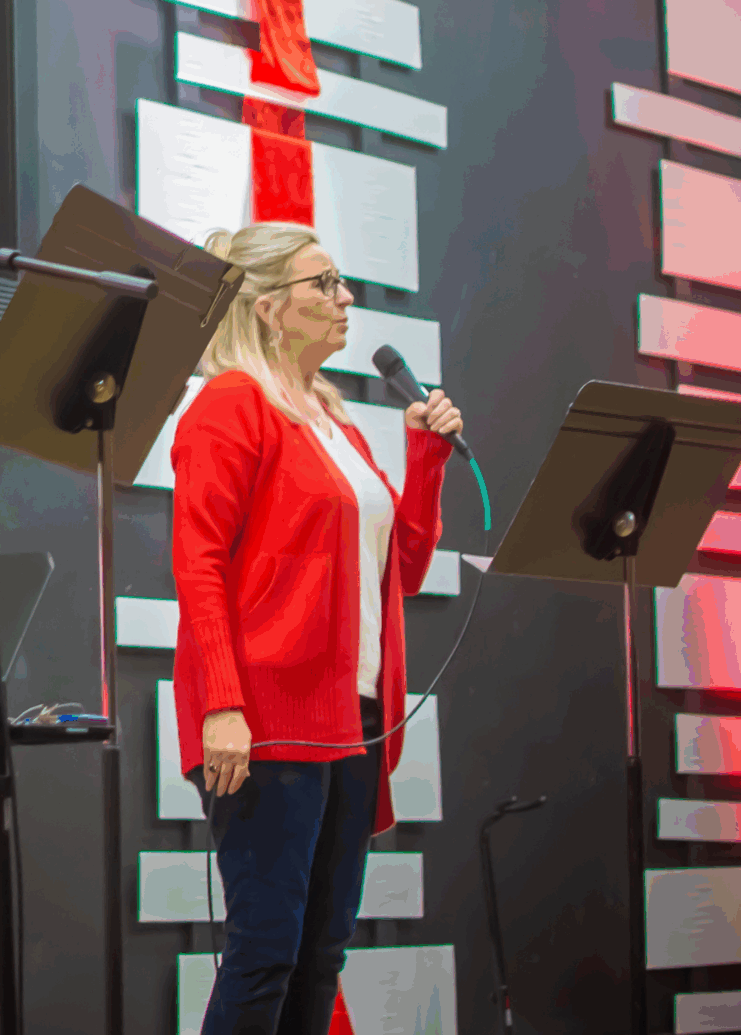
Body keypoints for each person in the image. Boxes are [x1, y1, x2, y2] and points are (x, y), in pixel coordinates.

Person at [170, 223, 465, 1034]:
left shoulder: (336, 420)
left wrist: (425, 461)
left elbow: (398, 574)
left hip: (355, 723)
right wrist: (222, 706)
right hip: (267, 718)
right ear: (268, 308)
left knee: (322, 951)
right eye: (324, 284)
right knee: (266, 948)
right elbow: (198, 565)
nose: (346, 299)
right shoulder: (233, 403)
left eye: (341, 282)